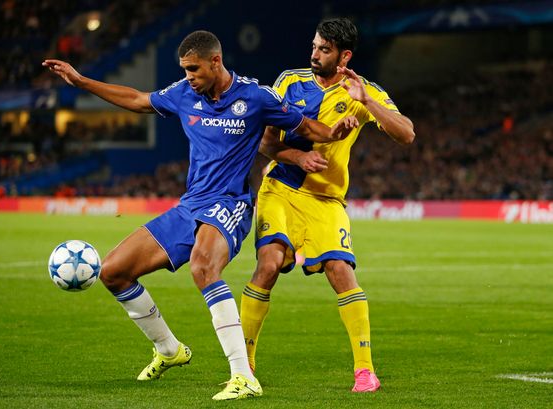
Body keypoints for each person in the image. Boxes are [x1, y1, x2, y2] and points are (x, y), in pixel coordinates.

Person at [43, 30, 355, 401]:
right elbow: (138, 99)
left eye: (193, 69)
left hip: (231, 203)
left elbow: (304, 126)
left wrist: (333, 133)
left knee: (203, 267)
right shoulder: (184, 94)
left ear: (215, 62)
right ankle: (169, 350)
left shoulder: (256, 97)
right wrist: (81, 81)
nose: (189, 76)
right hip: (191, 205)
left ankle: (244, 377)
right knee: (114, 271)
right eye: (185, 70)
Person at [240, 18, 415, 393]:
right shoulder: (289, 81)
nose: (314, 54)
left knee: (341, 271)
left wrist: (367, 101)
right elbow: (265, 144)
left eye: (324, 49)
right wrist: (298, 158)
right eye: (314, 46)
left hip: (326, 198)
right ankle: (245, 365)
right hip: (282, 188)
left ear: (344, 55)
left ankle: (365, 372)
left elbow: (407, 134)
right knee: (268, 264)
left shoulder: (362, 91)